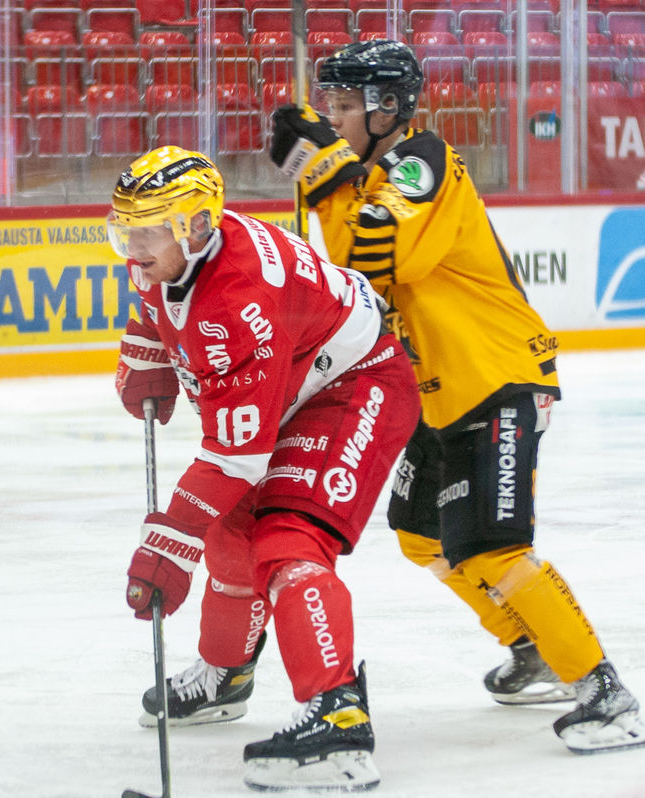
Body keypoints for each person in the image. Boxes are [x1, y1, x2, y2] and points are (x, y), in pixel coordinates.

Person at [268, 39, 645, 755]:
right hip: (438, 392)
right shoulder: (372, 173)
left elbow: (378, 255)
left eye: (347, 107)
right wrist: (327, 176)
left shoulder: (421, 160)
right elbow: (360, 277)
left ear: (388, 110)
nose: (335, 119)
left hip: (496, 378)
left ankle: (605, 693)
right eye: (331, 107)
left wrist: (321, 172)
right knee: (422, 536)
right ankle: (528, 642)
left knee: (493, 546)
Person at [110, 145, 420, 791]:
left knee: (287, 542)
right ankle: (226, 675)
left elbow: (234, 454)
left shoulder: (236, 298)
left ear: (196, 225)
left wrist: (169, 539)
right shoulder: (184, 254)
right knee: (227, 531)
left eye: (146, 230)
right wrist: (147, 349)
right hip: (292, 389)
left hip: (355, 390)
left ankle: (338, 719)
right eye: (124, 229)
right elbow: (156, 297)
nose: (132, 247)